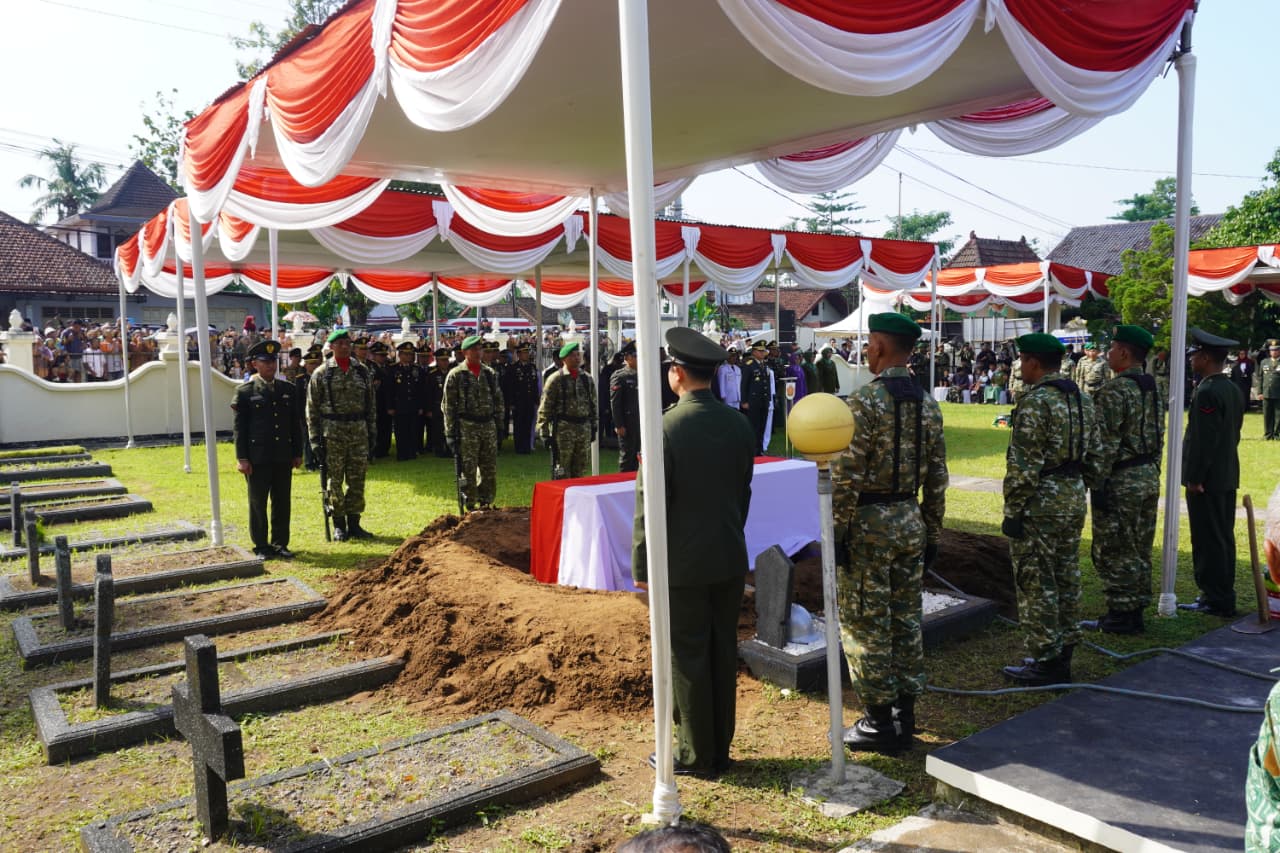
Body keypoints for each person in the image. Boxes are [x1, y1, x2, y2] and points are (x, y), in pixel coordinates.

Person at [632, 327, 756, 777]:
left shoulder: (663, 427)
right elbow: (742, 492)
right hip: (727, 555)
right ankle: (719, 747)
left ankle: (694, 753)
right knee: (723, 651)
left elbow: (651, 505)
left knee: (687, 656)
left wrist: (643, 566)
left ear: (676, 373)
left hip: (681, 564)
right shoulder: (738, 423)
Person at [831, 313, 948, 754]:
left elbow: (846, 479)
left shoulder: (862, 403)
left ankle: (879, 722)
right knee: (905, 619)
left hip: (869, 526)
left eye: (869, 344)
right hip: (909, 520)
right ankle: (905, 713)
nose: (866, 351)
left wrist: (837, 534)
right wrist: (932, 532)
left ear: (880, 347)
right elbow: (937, 476)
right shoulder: (928, 404)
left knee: (865, 623)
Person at [1000, 332, 1099, 685]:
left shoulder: (1036, 402)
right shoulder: (1083, 401)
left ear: (1033, 362)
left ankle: (1046, 659)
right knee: (1066, 574)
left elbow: (1024, 465)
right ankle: (1065, 647)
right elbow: (1097, 457)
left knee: (1036, 580)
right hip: (1072, 497)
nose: (1019, 366)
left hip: (1041, 501)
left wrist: (1013, 511)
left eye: (1022, 360)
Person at [1081, 325, 1163, 635]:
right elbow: (1159, 435)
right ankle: (1136, 607)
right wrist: (1153, 468)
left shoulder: (1115, 390)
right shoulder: (1151, 386)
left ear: (1125, 353)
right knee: (1140, 544)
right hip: (1146, 474)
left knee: (1115, 547)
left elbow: (1105, 443)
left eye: (1112, 348)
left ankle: (1120, 613)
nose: (1107, 354)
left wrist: (1097, 482)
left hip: (1121, 477)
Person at [1178, 327, 1245, 617]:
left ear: (1205, 357)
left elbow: (1204, 441)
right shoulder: (1229, 388)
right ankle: (1221, 594)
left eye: (1195, 355)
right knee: (1222, 536)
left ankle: (1214, 598)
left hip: (1208, 479)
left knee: (1208, 538)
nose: (1191, 359)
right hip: (1225, 473)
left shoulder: (1207, 390)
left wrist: (1195, 478)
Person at [233, 340, 303, 559]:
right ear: (255, 364)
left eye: (273, 361)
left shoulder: (288, 390)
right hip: (258, 458)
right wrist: (242, 458)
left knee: (282, 501)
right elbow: (239, 429)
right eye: (265, 361)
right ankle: (261, 545)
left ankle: (280, 543)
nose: (271, 366)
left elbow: (295, 424)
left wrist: (297, 452)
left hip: (282, 455)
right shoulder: (245, 392)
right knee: (258, 503)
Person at [306, 329, 377, 541]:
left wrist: (372, 432)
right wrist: (314, 439)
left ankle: (354, 523)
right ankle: (339, 524)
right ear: (332, 347)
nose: (345, 347)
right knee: (334, 481)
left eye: (348, 343)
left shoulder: (362, 371)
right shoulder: (322, 373)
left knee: (357, 479)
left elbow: (371, 405)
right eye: (341, 343)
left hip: (358, 431)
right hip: (333, 433)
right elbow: (312, 409)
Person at [442, 335, 504, 511]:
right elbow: (448, 407)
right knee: (468, 469)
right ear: (465, 352)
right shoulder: (456, 375)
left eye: (480, 349)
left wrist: (500, 426)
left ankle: (486, 502)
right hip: (467, 427)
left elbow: (498, 401)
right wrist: (450, 433)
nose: (478, 353)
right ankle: (470, 504)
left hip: (488, 425)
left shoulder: (489, 374)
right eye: (474, 349)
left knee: (489, 468)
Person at [537, 341, 597, 479]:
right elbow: (545, 407)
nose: (577, 358)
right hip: (563, 430)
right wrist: (544, 432)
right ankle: (561, 498)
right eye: (573, 356)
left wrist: (593, 426)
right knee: (561, 469)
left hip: (583, 428)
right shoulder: (556, 379)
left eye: (578, 355)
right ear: (564, 359)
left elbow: (592, 404)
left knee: (580, 469)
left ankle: (577, 498)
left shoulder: (586, 378)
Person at [388, 341, 426, 460]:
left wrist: (421, 406)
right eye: (406, 354)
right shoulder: (393, 369)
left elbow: (421, 390)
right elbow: (389, 390)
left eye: (411, 354)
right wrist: (390, 407)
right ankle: (402, 453)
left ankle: (412, 452)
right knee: (401, 430)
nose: (409, 356)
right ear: (400, 355)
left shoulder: (417, 369)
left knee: (413, 429)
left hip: (413, 405)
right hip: (399, 405)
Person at [609, 341, 642, 471]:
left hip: (640, 422)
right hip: (628, 423)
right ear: (627, 357)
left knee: (640, 456)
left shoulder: (643, 375)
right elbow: (615, 402)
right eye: (636, 355)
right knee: (627, 457)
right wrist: (619, 425)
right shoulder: (620, 376)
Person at [739, 339, 773, 453]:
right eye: (760, 351)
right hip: (752, 401)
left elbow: (766, 384)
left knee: (762, 426)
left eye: (764, 351)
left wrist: (768, 399)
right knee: (754, 426)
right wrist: (744, 401)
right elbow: (744, 384)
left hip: (763, 400)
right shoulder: (749, 365)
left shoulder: (764, 365)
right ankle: (752, 450)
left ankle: (759, 449)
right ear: (754, 352)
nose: (763, 353)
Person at [506, 343, 541, 454]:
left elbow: (534, 384)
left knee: (528, 423)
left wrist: (536, 399)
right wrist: (511, 402)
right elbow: (510, 386)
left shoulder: (532, 367)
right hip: (518, 401)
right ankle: (519, 447)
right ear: (519, 354)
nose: (526, 355)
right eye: (524, 353)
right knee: (519, 424)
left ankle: (526, 447)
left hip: (530, 401)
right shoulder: (513, 368)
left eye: (527, 352)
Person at [1255, 340, 1280, 439]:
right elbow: (1260, 377)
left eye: (1276, 350)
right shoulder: (1264, 362)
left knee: (1278, 415)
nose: (1274, 352)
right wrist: (1260, 392)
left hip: (1278, 393)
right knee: (1267, 415)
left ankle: (1276, 434)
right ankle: (1268, 434)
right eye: (1272, 350)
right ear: (1269, 351)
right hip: (1266, 392)